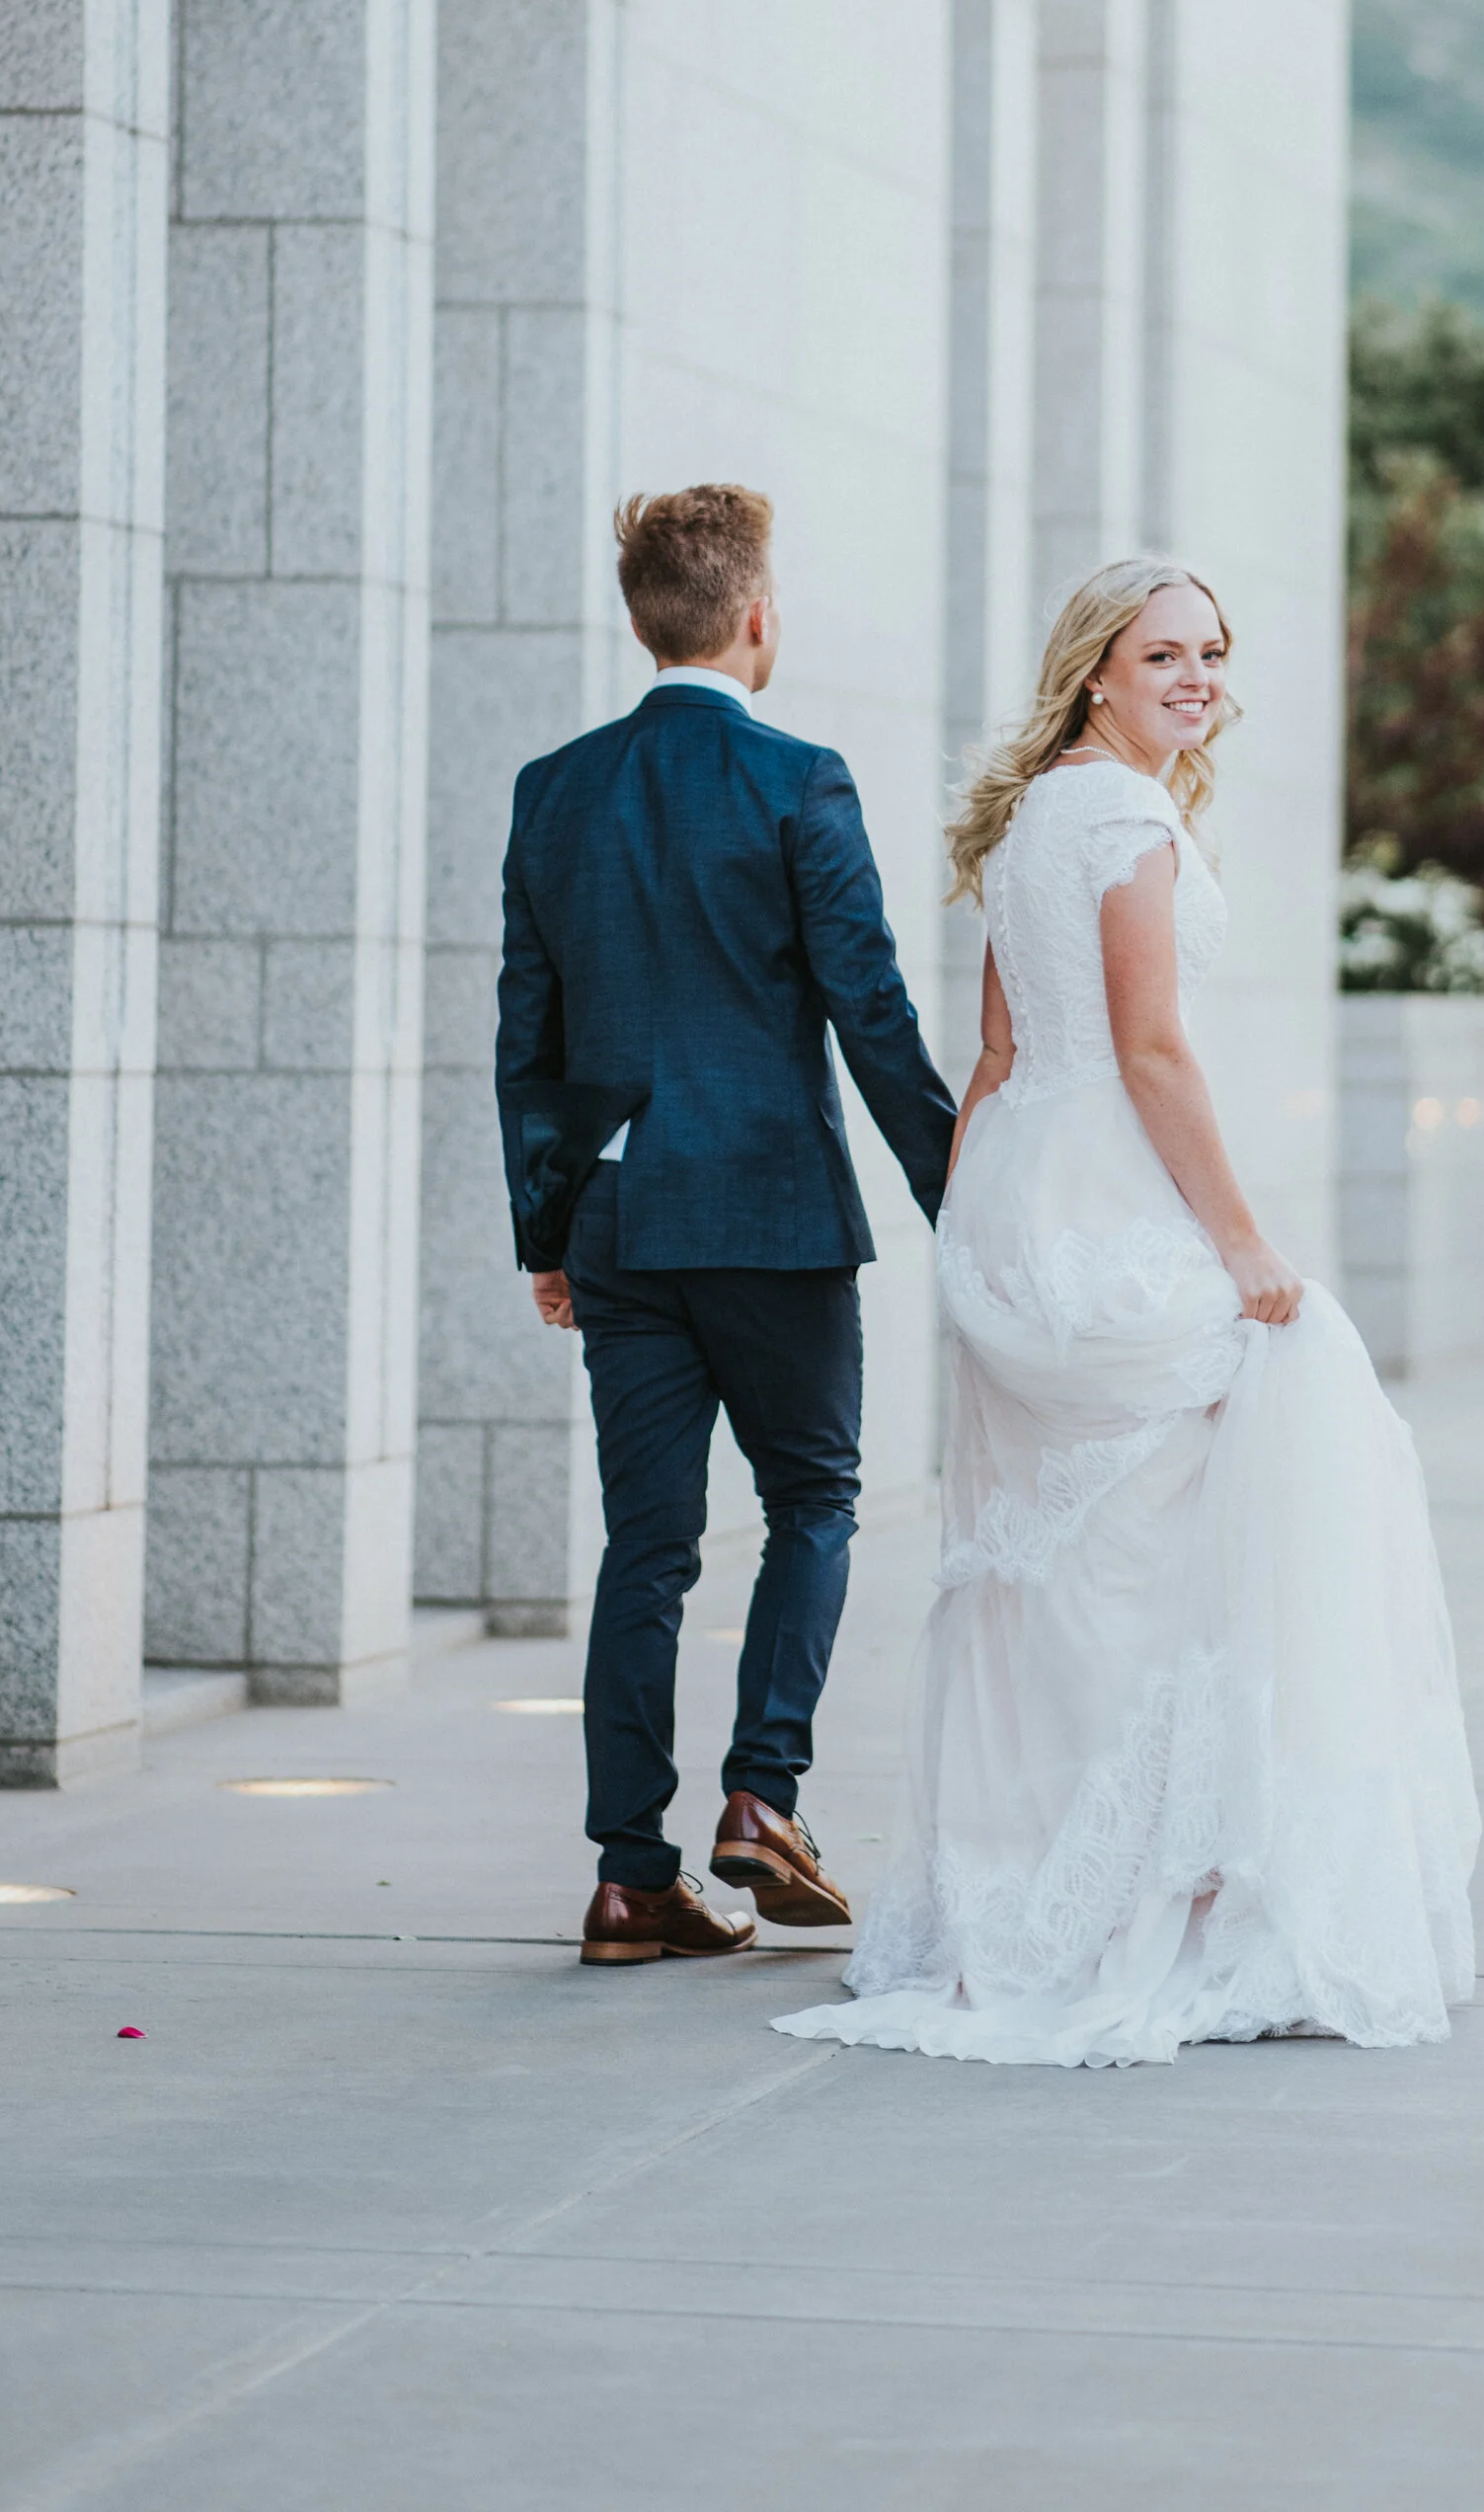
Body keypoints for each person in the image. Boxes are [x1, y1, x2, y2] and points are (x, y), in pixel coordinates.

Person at [776, 558, 1478, 2066]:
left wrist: (972, 1228)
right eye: (1166, 654)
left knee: (1049, 1563)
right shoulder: (1128, 817)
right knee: (1235, 1475)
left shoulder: (1036, 812)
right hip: (1105, 1203)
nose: (1199, 678)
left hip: (1025, 1202)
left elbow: (998, 1052)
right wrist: (1247, 1249)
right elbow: (1153, 1053)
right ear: (1098, 667)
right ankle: (1165, 1882)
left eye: (1214, 654)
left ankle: (1041, 1882)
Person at [499, 483, 957, 1967]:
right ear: (757, 618)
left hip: (621, 1220)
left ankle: (631, 1879)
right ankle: (765, 1798)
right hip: (767, 1216)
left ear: (640, 620)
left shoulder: (553, 789)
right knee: (815, 1500)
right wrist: (963, 1187)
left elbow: (530, 1034)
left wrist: (546, 1234)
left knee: (648, 1546)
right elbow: (868, 1007)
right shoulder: (799, 780)